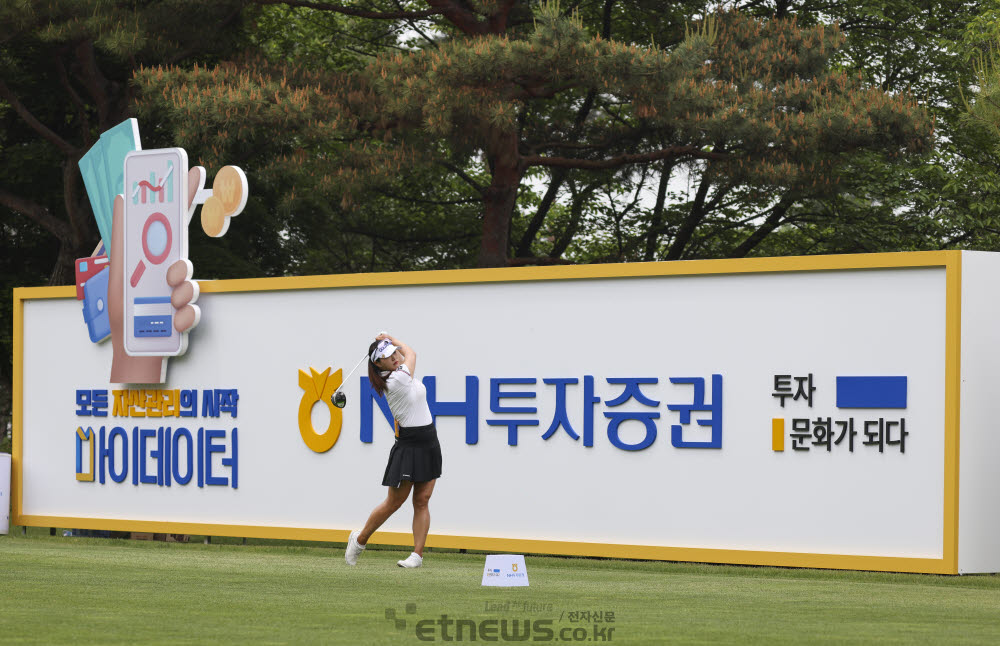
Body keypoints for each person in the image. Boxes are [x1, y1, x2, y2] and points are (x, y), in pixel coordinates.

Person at [345, 333, 442, 568]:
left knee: (422, 499)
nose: (395, 358)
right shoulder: (394, 380)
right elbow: (412, 353)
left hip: (428, 440)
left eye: (394, 354)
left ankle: (417, 555)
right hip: (409, 446)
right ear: (378, 364)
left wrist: (389, 343)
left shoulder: (400, 374)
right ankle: (359, 540)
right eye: (387, 357)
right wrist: (392, 338)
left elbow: (406, 356)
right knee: (394, 503)